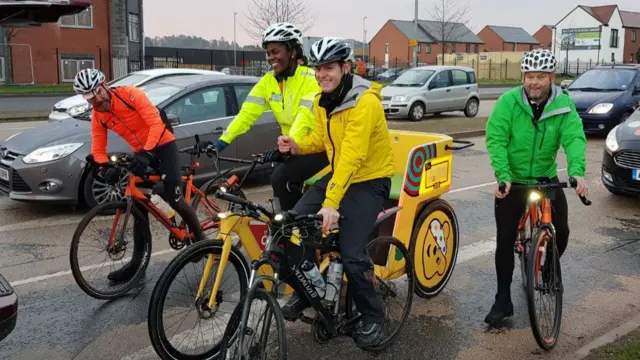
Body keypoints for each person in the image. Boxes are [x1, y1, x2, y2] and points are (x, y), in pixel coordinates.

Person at [277, 36, 395, 348]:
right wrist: (297, 146)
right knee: (290, 226)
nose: (321, 74)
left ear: (345, 67)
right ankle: (307, 292)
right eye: (317, 68)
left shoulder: (364, 102)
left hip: (370, 179)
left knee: (353, 254)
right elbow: (322, 139)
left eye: (328, 67)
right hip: (340, 173)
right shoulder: (322, 100)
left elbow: (354, 155)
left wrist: (331, 203)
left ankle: (374, 316)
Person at [484, 48, 588, 328]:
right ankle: (502, 298)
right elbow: (496, 138)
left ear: (552, 77)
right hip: (514, 181)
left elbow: (574, 138)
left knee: (562, 232)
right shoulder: (508, 102)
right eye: (529, 76)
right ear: (523, 77)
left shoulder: (563, 104)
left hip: (546, 179)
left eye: (541, 76)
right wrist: (503, 176)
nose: (534, 82)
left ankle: (548, 266)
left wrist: (577, 173)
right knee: (504, 240)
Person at [74, 68, 205, 283]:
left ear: (105, 85)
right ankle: (137, 265)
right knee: (139, 208)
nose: (96, 99)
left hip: (163, 144)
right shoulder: (99, 116)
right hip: (142, 150)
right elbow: (98, 149)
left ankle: (201, 242)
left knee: (174, 197)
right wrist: (104, 166)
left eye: (97, 91)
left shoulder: (130, 95)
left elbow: (155, 124)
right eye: (89, 97)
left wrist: (146, 153)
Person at [205, 22, 328, 211]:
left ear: (293, 51)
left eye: (276, 51)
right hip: (290, 147)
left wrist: (287, 144)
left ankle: (301, 226)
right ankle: (287, 226)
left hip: (317, 147)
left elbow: (305, 117)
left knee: (281, 178)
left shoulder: (311, 79)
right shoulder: (268, 82)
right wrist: (222, 141)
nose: (271, 57)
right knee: (275, 181)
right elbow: (247, 114)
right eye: (268, 53)